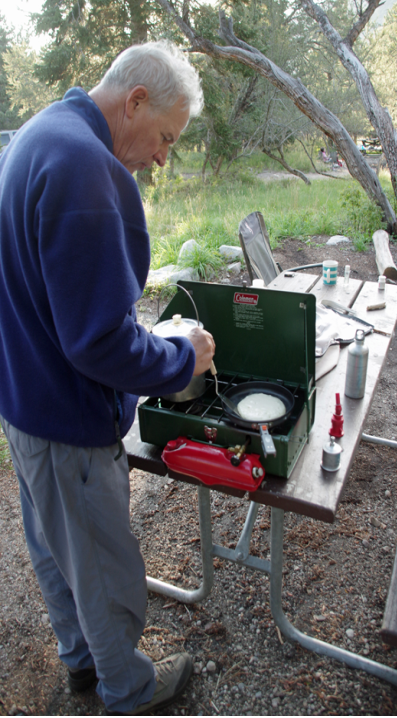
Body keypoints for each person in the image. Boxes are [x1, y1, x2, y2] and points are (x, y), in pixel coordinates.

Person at [0, 41, 215, 716]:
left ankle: (81, 662)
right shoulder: (86, 170)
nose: (161, 156)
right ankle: (129, 689)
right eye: (164, 136)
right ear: (135, 101)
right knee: (103, 567)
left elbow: (51, 295)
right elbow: (97, 342)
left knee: (55, 551)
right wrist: (182, 359)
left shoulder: (37, 135)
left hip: (24, 402)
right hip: (67, 420)